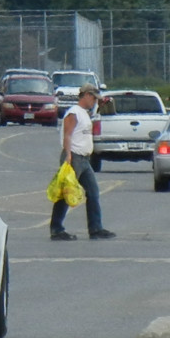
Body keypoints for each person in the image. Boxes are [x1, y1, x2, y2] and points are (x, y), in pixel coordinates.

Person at [50, 82, 113, 241]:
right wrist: (68, 156)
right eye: (93, 98)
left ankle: (95, 228)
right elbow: (67, 135)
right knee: (66, 192)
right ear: (86, 95)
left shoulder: (85, 113)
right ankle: (57, 228)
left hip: (85, 159)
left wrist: (102, 105)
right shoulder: (73, 113)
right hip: (74, 157)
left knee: (93, 192)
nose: (94, 101)